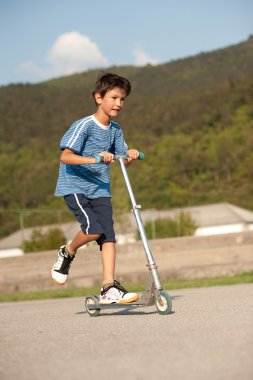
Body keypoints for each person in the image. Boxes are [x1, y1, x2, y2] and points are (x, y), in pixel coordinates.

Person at [51, 72, 140, 304]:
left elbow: (123, 161)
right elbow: (66, 157)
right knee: (93, 229)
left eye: (123, 99)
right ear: (98, 97)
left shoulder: (116, 130)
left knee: (108, 234)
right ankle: (68, 251)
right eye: (114, 98)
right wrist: (94, 158)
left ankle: (108, 287)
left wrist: (129, 155)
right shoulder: (84, 126)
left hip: (100, 187)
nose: (119, 103)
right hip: (75, 186)